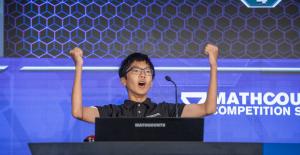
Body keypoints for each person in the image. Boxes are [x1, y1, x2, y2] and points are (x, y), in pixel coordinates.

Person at [70, 43, 218, 123]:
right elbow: (78, 112)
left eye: (147, 71)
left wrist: (213, 65)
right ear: (124, 80)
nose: (143, 75)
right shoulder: (112, 113)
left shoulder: (166, 110)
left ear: (151, 82)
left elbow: (208, 108)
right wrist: (79, 66)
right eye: (136, 70)